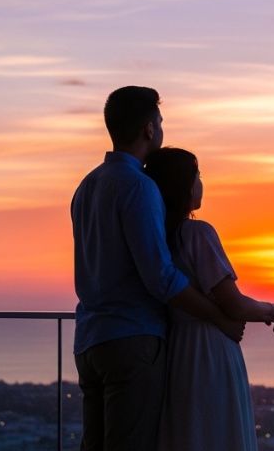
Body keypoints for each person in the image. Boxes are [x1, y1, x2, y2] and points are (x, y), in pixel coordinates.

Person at [72, 86, 246, 451]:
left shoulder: (87, 186)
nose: (162, 128)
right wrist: (219, 316)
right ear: (150, 129)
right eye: (160, 121)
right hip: (132, 340)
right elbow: (161, 277)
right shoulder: (139, 186)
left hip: (89, 339)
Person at [144, 147, 274, 451]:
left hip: (174, 349)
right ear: (183, 185)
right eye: (198, 175)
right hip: (209, 350)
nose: (201, 183)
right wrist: (272, 309)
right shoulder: (198, 234)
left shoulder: (157, 238)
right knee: (217, 431)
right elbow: (233, 303)